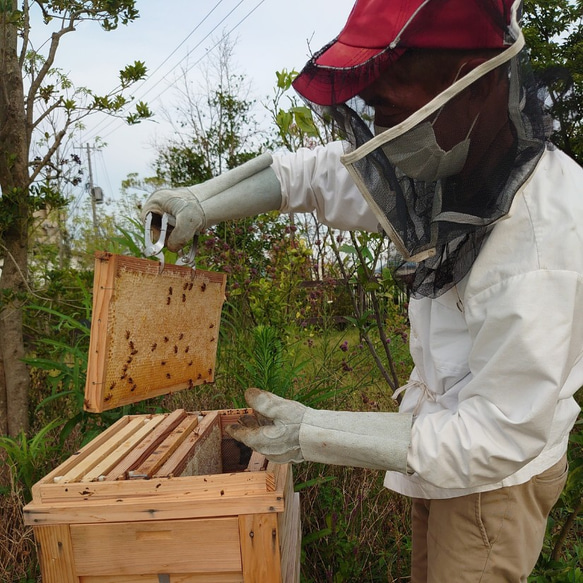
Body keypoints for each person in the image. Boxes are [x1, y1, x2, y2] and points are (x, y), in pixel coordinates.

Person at [142, 0, 583, 580]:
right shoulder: (454, 150)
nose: (384, 142)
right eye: (374, 114)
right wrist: (205, 200)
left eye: (394, 117)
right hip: (435, 444)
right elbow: (321, 174)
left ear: (475, 84)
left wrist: (317, 433)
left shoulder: (540, 243)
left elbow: (495, 435)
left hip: (491, 488)